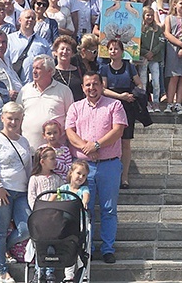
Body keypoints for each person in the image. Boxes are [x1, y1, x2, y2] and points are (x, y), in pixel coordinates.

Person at [65, 72, 127, 264]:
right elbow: (69, 131)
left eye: (95, 84)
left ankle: (108, 249)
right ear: (83, 88)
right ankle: (87, 248)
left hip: (109, 165)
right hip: (84, 168)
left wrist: (97, 145)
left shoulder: (115, 105)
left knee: (109, 209)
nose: (91, 88)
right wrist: (86, 147)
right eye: (87, 85)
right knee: (85, 209)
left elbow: (118, 130)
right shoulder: (75, 107)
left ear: (102, 85)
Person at [0, 102, 33, 283]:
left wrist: (30, 189)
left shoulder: (24, 141)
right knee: (0, 230)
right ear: (2, 118)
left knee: (26, 228)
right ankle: (2, 271)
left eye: (17, 119)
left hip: (20, 191)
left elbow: (28, 168)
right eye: (10, 118)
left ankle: (1, 247)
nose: (13, 122)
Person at [100, 39, 144, 189]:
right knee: (111, 140)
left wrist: (133, 94)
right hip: (111, 103)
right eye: (111, 49)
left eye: (116, 49)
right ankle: (111, 175)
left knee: (125, 141)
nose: (113, 51)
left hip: (127, 105)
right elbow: (103, 89)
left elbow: (139, 83)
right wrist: (119, 96)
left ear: (122, 51)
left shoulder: (129, 67)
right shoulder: (104, 68)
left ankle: (124, 176)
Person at [16, 54, 74, 150]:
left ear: (50, 71)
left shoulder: (64, 91)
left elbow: (71, 119)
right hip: (29, 150)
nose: (34, 71)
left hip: (56, 152)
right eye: (33, 68)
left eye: (38, 68)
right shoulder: (25, 90)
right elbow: (17, 116)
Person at [26, 146, 64, 283]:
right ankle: (39, 270)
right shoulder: (34, 179)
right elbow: (31, 197)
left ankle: (50, 271)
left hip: (54, 218)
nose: (55, 161)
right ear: (42, 161)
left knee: (52, 244)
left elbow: (62, 195)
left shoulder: (57, 178)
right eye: (52, 158)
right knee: (40, 245)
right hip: (40, 218)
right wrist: (38, 210)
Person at [50, 160, 91, 282]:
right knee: (68, 249)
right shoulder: (63, 188)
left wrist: (84, 202)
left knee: (81, 249)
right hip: (65, 225)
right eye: (78, 173)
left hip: (79, 223)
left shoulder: (83, 189)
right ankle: (69, 276)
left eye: (84, 175)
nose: (81, 177)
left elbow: (86, 196)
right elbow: (52, 198)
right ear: (71, 173)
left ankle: (83, 274)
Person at [8, 10, 51, 84]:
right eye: (28, 17)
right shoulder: (9, 40)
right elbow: (4, 62)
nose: (30, 20)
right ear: (19, 20)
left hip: (35, 87)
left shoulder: (43, 43)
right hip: (14, 86)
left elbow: (49, 65)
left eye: (33, 18)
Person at [139, 7, 165, 113]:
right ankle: (144, 102)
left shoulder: (157, 29)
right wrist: (145, 53)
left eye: (151, 15)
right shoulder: (139, 28)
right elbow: (136, 44)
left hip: (154, 58)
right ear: (143, 16)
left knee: (156, 81)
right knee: (143, 81)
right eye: (147, 15)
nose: (149, 17)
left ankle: (156, 102)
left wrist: (153, 52)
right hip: (143, 58)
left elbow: (162, 42)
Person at [52, 35, 84, 101]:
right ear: (55, 52)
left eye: (68, 49)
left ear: (72, 54)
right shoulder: (51, 72)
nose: (65, 52)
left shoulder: (80, 71)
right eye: (62, 49)